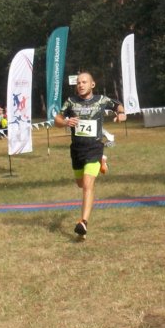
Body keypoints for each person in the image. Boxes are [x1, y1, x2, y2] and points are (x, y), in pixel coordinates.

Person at [54, 71, 125, 238]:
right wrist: (65, 122)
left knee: (87, 185)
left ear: (92, 84)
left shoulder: (101, 100)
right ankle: (102, 162)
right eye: (78, 82)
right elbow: (57, 119)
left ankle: (83, 222)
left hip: (94, 147)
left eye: (84, 82)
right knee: (81, 184)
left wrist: (121, 113)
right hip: (77, 149)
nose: (80, 85)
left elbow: (118, 105)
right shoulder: (71, 101)